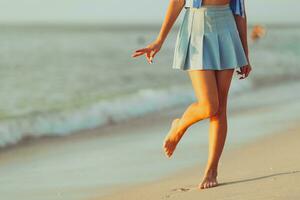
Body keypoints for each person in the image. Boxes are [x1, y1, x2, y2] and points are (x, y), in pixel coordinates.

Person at [131, 0, 252, 190]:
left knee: (220, 109)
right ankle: (179, 125)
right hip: (196, 29)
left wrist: (245, 52)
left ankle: (211, 170)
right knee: (209, 105)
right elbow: (178, 1)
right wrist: (159, 40)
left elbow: (239, 11)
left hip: (227, 27)